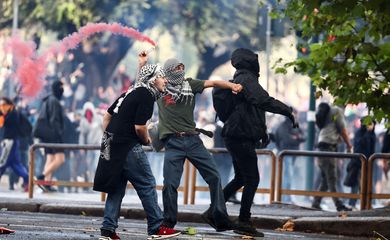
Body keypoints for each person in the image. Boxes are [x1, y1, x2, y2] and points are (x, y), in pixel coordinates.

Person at [94, 53, 180, 240]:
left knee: (116, 187)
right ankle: (157, 228)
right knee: (147, 184)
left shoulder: (131, 92)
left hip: (110, 142)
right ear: (153, 79)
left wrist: (112, 136)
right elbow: (140, 127)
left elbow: (107, 117)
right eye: (162, 76)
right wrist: (147, 140)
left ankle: (108, 230)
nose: (165, 80)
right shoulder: (146, 95)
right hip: (127, 146)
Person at [153, 57, 243, 233]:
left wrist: (232, 86)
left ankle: (218, 217)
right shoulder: (159, 88)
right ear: (169, 71)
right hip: (173, 142)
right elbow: (140, 83)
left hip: (194, 141)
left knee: (214, 177)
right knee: (170, 185)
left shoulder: (190, 84)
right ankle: (168, 222)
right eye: (177, 67)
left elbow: (213, 82)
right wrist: (142, 64)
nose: (181, 70)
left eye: (182, 67)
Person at [221, 48, 298, 237]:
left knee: (241, 178)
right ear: (249, 62)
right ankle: (244, 221)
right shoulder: (246, 78)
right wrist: (287, 111)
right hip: (240, 136)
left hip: (237, 135)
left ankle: (215, 210)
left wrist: (262, 132)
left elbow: (253, 109)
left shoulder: (243, 78)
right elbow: (263, 101)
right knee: (252, 179)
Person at [312, 102, 352, 211]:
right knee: (332, 178)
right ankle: (339, 205)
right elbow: (342, 130)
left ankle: (316, 202)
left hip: (322, 146)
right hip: (328, 147)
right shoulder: (337, 111)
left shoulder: (330, 111)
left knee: (326, 179)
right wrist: (349, 145)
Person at [35, 80, 66, 192]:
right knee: (61, 159)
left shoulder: (48, 99)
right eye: (61, 87)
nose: (63, 89)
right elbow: (55, 120)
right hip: (54, 135)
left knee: (50, 158)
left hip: (47, 135)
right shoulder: (54, 101)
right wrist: (59, 135)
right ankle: (42, 176)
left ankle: (46, 184)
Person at [273, 108, 305, 203]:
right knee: (288, 176)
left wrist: (297, 137)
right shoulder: (283, 126)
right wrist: (296, 138)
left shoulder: (295, 125)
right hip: (285, 153)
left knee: (289, 176)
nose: (296, 116)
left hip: (293, 153)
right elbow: (286, 139)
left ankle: (287, 197)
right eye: (295, 114)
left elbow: (304, 136)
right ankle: (285, 198)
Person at [344, 117, 376, 209]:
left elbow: (372, 149)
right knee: (356, 184)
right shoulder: (360, 133)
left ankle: (367, 204)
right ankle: (352, 204)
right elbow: (359, 146)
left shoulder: (372, 134)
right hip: (358, 163)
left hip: (368, 164)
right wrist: (367, 133)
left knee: (366, 184)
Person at [0, 97, 29, 192]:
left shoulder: (13, 114)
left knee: (3, 162)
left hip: (10, 142)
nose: (2, 107)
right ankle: (27, 179)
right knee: (15, 164)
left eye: (4, 105)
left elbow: (5, 122)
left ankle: (27, 180)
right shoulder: (9, 113)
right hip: (10, 142)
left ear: (9, 105)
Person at [79, 101, 103, 181]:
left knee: (97, 165)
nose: (88, 112)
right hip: (89, 146)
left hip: (99, 145)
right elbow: (82, 135)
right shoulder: (83, 121)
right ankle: (91, 183)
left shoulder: (99, 118)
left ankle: (98, 182)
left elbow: (105, 129)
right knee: (89, 166)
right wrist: (81, 147)